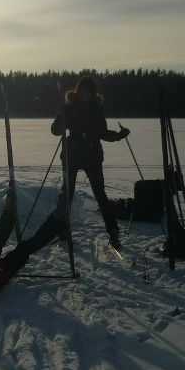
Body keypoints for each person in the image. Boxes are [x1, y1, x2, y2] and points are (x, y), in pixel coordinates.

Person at [51, 76, 129, 248]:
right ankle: (62, 229)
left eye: (88, 91)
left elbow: (102, 132)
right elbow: (55, 130)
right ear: (78, 91)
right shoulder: (69, 106)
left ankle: (113, 232)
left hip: (92, 155)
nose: (84, 94)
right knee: (67, 194)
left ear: (92, 93)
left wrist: (118, 135)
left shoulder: (97, 108)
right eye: (82, 90)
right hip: (72, 155)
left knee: (100, 194)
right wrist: (62, 120)